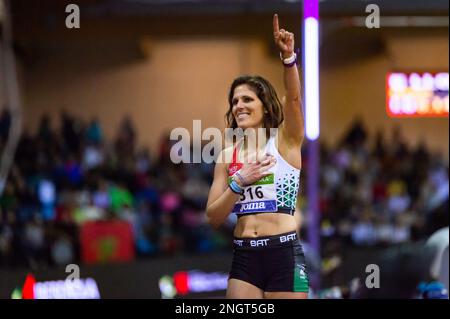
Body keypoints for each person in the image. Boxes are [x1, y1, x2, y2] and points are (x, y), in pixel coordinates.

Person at [206, 14, 308, 299]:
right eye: (235, 101)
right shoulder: (227, 156)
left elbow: (294, 98)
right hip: (244, 258)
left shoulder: (286, 140)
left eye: (247, 99)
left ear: (265, 106)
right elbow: (213, 217)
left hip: (286, 255)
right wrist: (238, 181)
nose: (239, 105)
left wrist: (288, 59)